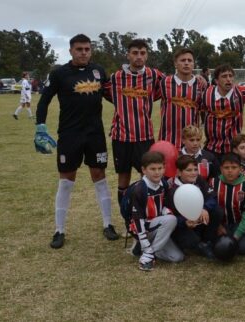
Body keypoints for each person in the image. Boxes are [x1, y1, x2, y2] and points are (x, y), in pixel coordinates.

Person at [35, 34, 118, 248]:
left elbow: (114, 97)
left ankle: (108, 224)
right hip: (70, 134)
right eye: (79, 49)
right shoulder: (59, 74)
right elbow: (44, 100)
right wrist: (40, 126)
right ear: (71, 50)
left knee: (99, 176)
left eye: (87, 49)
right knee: (66, 180)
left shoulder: (99, 72)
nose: (84, 52)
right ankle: (59, 230)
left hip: (95, 134)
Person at [104, 39, 165, 218]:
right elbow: (107, 93)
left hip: (144, 136)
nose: (139, 56)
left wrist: (199, 77)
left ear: (147, 55)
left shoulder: (155, 75)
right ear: (128, 54)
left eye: (143, 53)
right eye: (135, 53)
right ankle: (128, 219)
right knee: (123, 179)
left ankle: (146, 217)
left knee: (147, 179)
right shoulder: (115, 78)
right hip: (121, 136)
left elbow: (172, 83)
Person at [129, 151, 184, 271]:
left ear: (164, 168)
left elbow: (163, 207)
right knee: (171, 219)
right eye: (152, 169)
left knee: (177, 257)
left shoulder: (163, 184)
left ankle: (148, 251)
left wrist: (167, 214)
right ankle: (146, 252)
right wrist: (144, 241)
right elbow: (137, 219)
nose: (157, 172)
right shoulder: (139, 189)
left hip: (158, 226)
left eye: (160, 168)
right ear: (144, 170)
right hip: (143, 228)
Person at [199, 64, 245, 156]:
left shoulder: (240, 92)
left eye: (230, 76)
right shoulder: (207, 93)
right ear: (216, 80)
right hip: (211, 147)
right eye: (224, 76)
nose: (228, 79)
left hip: (234, 148)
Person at [167, 155, 219, 259]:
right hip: (182, 225)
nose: (193, 173)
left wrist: (204, 208)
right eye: (189, 170)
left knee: (217, 211)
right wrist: (184, 221)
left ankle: (206, 242)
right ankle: (190, 243)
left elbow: (212, 197)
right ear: (179, 172)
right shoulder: (172, 190)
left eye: (195, 169)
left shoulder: (199, 179)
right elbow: (170, 216)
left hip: (199, 218)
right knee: (191, 241)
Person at [158, 48, 207, 146]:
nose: (186, 63)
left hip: (192, 142)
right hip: (168, 139)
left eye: (189, 60)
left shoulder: (201, 84)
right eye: (183, 60)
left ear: (193, 64)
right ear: (175, 64)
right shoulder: (164, 82)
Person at [210, 153, 245, 254]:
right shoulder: (214, 183)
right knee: (214, 243)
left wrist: (237, 235)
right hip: (221, 223)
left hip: (238, 223)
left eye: (234, 167)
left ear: (240, 169)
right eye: (226, 167)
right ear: (221, 169)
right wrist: (218, 225)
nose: (230, 171)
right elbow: (211, 209)